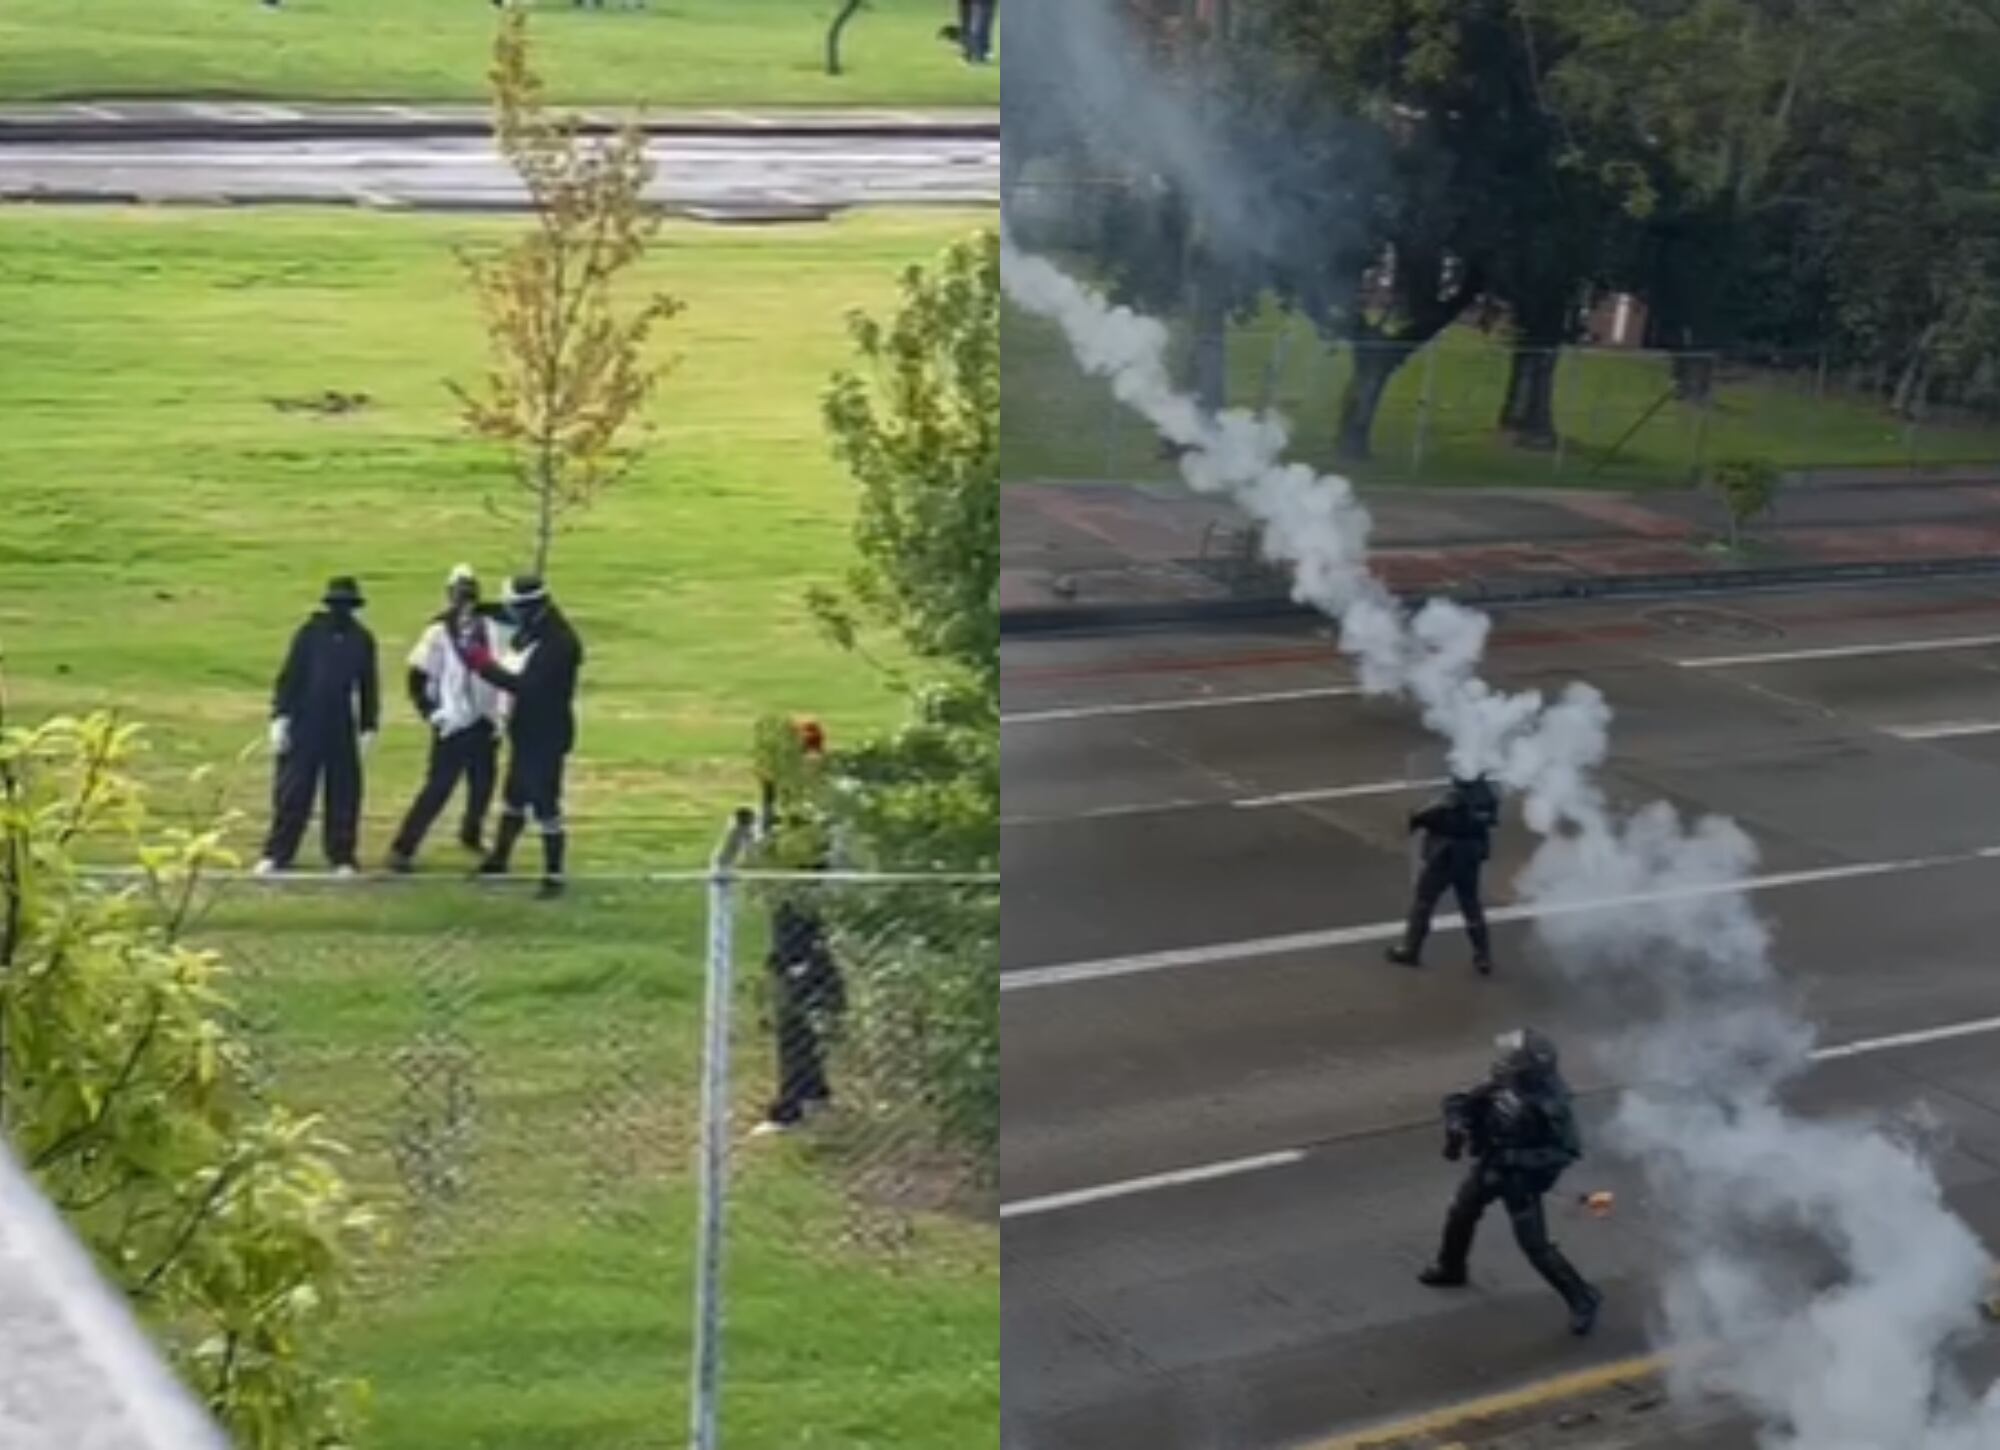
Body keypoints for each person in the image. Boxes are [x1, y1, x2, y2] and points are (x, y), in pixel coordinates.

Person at [1419, 1028, 1603, 1336]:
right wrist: (1457, 1125)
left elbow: (1565, 1151)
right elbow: (1459, 1100)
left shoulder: (1551, 1104)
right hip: (1491, 1162)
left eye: (1514, 1059)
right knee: (1461, 1212)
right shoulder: (1505, 1082)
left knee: (1536, 1248)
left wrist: (1516, 1160)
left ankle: (1583, 1297)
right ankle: (1451, 1267)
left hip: (1521, 1181)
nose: (1505, 1063)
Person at [454, 575, 583, 899]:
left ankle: (554, 875)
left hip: (546, 733)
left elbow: (526, 686)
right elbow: (502, 613)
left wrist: (481, 663)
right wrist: (473, 608)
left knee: (545, 802)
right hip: (524, 729)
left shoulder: (559, 644)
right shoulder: (536, 628)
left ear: (529, 608)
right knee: (513, 795)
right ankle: (499, 859)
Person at [750, 719, 848, 1137]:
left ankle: (793, 1102)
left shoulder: (806, 802)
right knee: (797, 1003)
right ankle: (812, 1089)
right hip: (795, 914)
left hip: (804, 917)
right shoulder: (793, 797)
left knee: (794, 1002)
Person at [386, 565, 508, 874]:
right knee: (438, 787)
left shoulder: (492, 629)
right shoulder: (439, 632)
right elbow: (417, 676)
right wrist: (432, 713)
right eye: (459, 596)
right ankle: (403, 847)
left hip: (485, 719)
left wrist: (501, 714)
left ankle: (471, 832)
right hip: (453, 721)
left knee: (483, 785)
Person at [256, 577, 380, 877]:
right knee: (293, 791)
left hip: (340, 723)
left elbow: (368, 685)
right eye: (337, 605)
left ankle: (342, 855)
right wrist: (280, 717)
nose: (341, 611)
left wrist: (368, 725)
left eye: (346, 606)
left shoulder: (361, 639)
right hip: (304, 719)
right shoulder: (310, 634)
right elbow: (290, 677)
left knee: (343, 792)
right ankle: (278, 852)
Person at [1387, 774, 1499, 973]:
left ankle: (1411, 949)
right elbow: (1491, 820)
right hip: (1470, 858)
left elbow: (1421, 816)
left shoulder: (1452, 799)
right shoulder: (1487, 799)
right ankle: (1483, 956)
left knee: (1424, 902)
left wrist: (1414, 819)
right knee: (1471, 905)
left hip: (1445, 857)